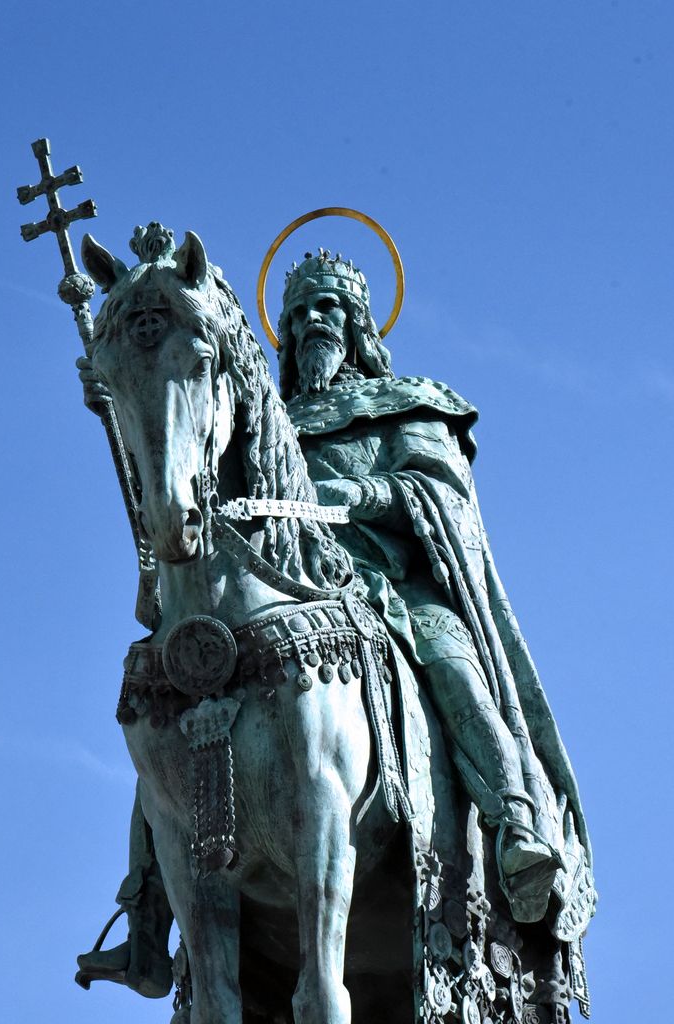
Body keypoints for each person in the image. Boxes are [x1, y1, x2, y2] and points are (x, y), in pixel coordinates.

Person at [74, 249, 594, 994]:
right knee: (175, 696)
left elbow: (438, 496)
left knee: (450, 661)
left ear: (356, 324)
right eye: (295, 314)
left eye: (325, 309)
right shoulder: (260, 415)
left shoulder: (407, 402)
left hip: (384, 581)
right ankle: (146, 912)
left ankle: (515, 826)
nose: (309, 323)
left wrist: (359, 497)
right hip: (275, 588)